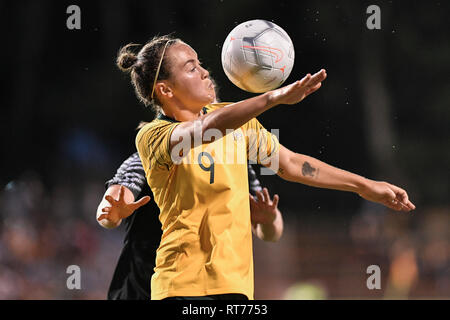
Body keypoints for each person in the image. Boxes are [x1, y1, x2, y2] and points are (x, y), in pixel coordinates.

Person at [117, 35, 415, 300]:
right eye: (191, 67)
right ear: (166, 90)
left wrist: (365, 186)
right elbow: (208, 127)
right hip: (181, 286)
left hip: (235, 286)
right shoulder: (153, 136)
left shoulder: (238, 124)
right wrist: (274, 97)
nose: (206, 72)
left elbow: (292, 164)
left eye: (200, 63)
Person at [96, 153, 282, 300]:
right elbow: (109, 208)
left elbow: (272, 233)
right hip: (144, 289)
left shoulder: (234, 163)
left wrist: (268, 219)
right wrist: (111, 213)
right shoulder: (147, 156)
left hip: (209, 290)